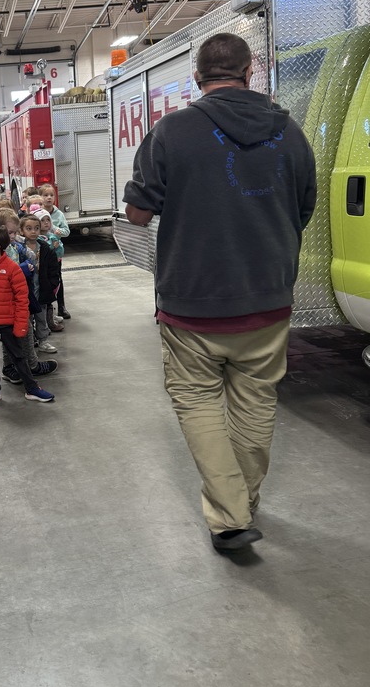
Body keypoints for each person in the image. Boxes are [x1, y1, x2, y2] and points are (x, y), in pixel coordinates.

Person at [124, 32, 316, 553]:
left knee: (197, 401)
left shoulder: (171, 131)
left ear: (197, 78)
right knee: (256, 401)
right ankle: (242, 505)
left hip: (192, 299)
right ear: (250, 72)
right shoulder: (291, 132)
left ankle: (230, 517)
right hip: (268, 296)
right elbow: (303, 209)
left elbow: (137, 214)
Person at [0, 224, 55, 407]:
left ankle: (31, 388)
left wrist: (21, 324)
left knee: (19, 357)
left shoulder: (12, 269)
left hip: (8, 323)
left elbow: (22, 300)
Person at [0, 207, 57, 384]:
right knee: (13, 335)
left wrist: (26, 259)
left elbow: (30, 256)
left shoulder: (14, 246)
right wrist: (22, 269)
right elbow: (1, 274)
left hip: (19, 297)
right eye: (9, 233)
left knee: (23, 332)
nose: (12, 236)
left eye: (14, 232)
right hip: (6, 301)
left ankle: (26, 364)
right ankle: (17, 367)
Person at [20, 214, 61, 353]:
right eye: (29, 228)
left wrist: (52, 284)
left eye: (36, 228)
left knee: (41, 317)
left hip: (41, 290)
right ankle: (30, 341)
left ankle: (43, 340)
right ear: (21, 231)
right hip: (26, 291)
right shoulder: (19, 249)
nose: (33, 231)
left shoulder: (45, 248)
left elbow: (54, 269)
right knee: (27, 318)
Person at [38, 184, 71, 319]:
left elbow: (66, 231)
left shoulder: (59, 214)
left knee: (57, 279)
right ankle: (47, 309)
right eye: (45, 195)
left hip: (56, 254)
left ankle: (61, 306)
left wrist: (56, 230)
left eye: (51, 195)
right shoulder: (37, 213)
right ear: (40, 197)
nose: (49, 198)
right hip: (41, 253)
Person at [35, 208, 65, 333]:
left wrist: (57, 244)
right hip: (42, 271)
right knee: (44, 296)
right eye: (42, 220)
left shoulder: (52, 236)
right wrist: (52, 247)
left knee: (52, 292)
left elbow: (60, 252)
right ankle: (46, 323)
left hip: (53, 268)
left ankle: (50, 318)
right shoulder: (38, 239)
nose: (46, 223)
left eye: (48, 220)